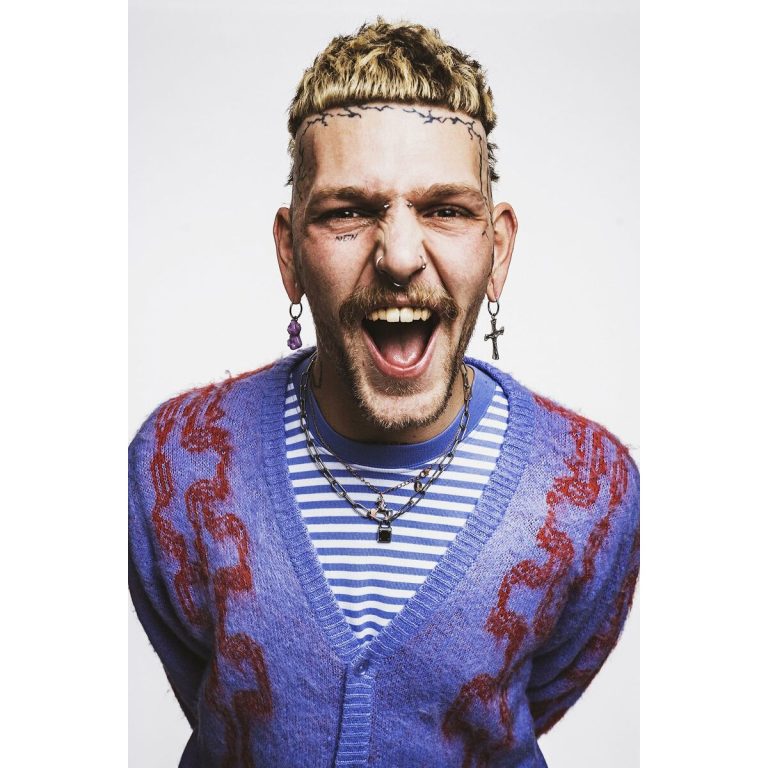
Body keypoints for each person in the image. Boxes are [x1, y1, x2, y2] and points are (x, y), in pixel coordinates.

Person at [128, 18, 639, 768]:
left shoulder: (592, 488)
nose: (399, 256)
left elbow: (531, 698)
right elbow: (217, 703)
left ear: (498, 250)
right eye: (348, 211)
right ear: (289, 251)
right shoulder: (173, 466)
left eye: (446, 209)